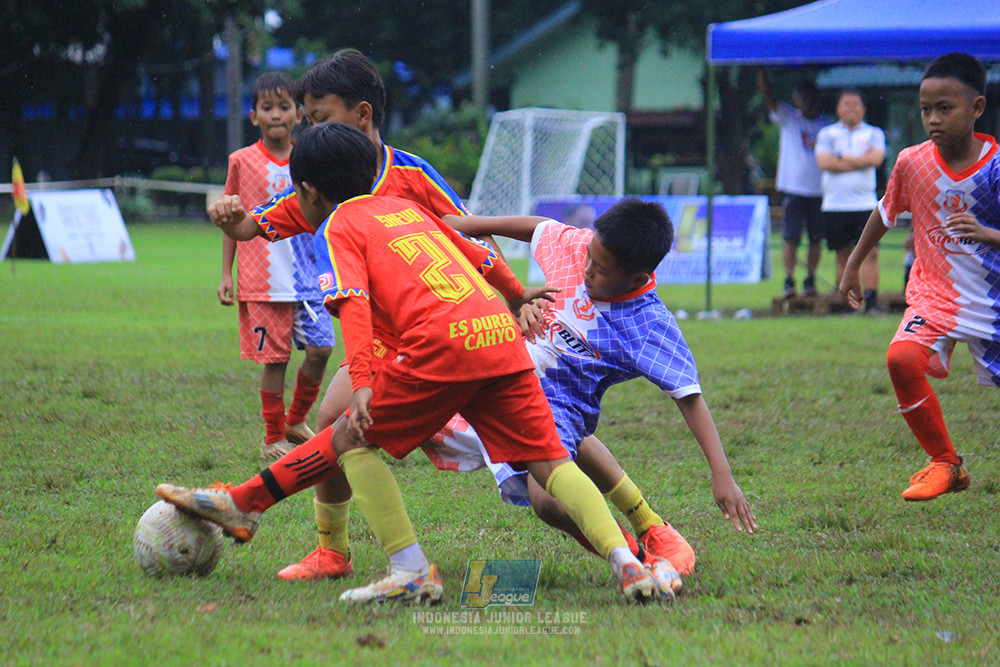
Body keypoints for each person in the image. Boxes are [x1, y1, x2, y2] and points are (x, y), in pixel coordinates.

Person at [211, 49, 690, 585]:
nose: (306, 131)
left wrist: (512, 299)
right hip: (437, 335)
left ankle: (644, 530)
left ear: (361, 114)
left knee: (539, 455)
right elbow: (255, 227)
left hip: (436, 339)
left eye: (318, 118)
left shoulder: (398, 183)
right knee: (339, 423)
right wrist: (231, 218)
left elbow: (467, 237)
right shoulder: (327, 179)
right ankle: (330, 550)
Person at [427, 198, 757, 565]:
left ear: (636, 279)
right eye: (588, 257)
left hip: (559, 409)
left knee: (548, 501)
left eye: (599, 269)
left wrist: (722, 475)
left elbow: (689, 397)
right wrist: (473, 224)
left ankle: (638, 558)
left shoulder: (648, 325)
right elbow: (540, 228)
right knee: (414, 413)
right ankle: (648, 526)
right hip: (500, 379)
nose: (586, 270)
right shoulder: (584, 248)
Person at [839, 52, 1000, 501]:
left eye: (945, 108)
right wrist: (854, 264)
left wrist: (987, 233)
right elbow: (885, 212)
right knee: (902, 359)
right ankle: (946, 463)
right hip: (936, 294)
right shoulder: (912, 162)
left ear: (977, 107)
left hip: (994, 300)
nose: (933, 119)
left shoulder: (995, 169)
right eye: (926, 109)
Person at [216, 72, 334, 462]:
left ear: (299, 114)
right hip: (263, 281)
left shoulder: (311, 158)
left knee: (321, 349)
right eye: (267, 108)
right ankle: (272, 437)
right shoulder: (241, 161)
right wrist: (226, 274)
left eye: (284, 106)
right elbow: (233, 222)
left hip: (310, 276)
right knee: (275, 360)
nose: (277, 115)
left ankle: (295, 420)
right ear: (254, 116)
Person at [757, 68, 830, 299]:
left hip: (819, 190)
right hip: (793, 189)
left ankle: (810, 279)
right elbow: (769, 98)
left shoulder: (826, 126)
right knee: (791, 237)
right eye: (804, 98)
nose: (808, 102)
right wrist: (761, 72)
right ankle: (789, 280)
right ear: (797, 100)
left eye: (812, 98)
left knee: (816, 238)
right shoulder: (789, 118)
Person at [816, 87, 886, 311]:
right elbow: (824, 162)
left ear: (863, 108)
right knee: (843, 255)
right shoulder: (827, 134)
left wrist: (842, 158)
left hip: (865, 205)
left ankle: (871, 303)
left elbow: (875, 159)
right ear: (838, 108)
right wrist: (860, 161)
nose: (851, 108)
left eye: (856, 104)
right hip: (835, 205)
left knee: (871, 253)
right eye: (847, 104)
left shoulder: (874, 133)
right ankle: (848, 304)